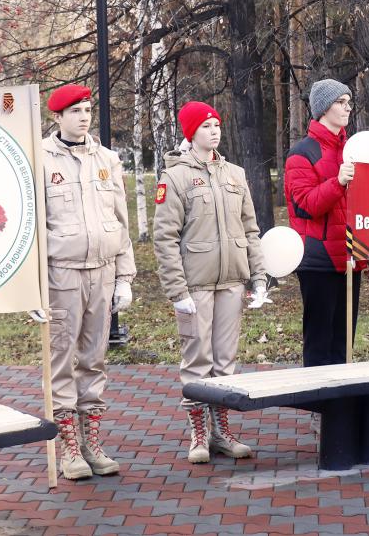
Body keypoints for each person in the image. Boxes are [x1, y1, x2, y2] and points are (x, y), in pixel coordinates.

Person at [153, 101, 267, 464]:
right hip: (196, 286)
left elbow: (250, 229)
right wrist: (177, 291)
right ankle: (198, 433)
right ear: (191, 133)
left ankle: (222, 430)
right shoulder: (175, 177)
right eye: (205, 126)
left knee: (224, 360)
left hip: (231, 281)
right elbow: (165, 238)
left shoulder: (235, 174)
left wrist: (259, 276)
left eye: (217, 124)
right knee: (196, 358)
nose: (214, 130)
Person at [42, 84, 136, 480]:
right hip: (61, 273)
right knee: (62, 360)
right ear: (58, 117)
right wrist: (32, 287)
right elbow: (30, 227)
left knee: (94, 359)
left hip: (102, 271)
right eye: (75, 111)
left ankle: (92, 443)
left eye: (87, 109)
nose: (84, 116)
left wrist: (125, 276)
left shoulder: (107, 159)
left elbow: (120, 219)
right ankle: (69, 449)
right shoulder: (40, 160)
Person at [284, 79, 369, 368]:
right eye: (340, 102)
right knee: (320, 340)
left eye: (349, 102)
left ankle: (342, 408)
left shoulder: (354, 149)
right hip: (318, 259)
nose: (347, 108)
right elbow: (306, 206)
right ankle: (320, 406)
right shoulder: (302, 152)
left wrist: (367, 249)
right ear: (323, 108)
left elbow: (362, 206)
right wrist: (338, 182)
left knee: (344, 339)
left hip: (349, 257)